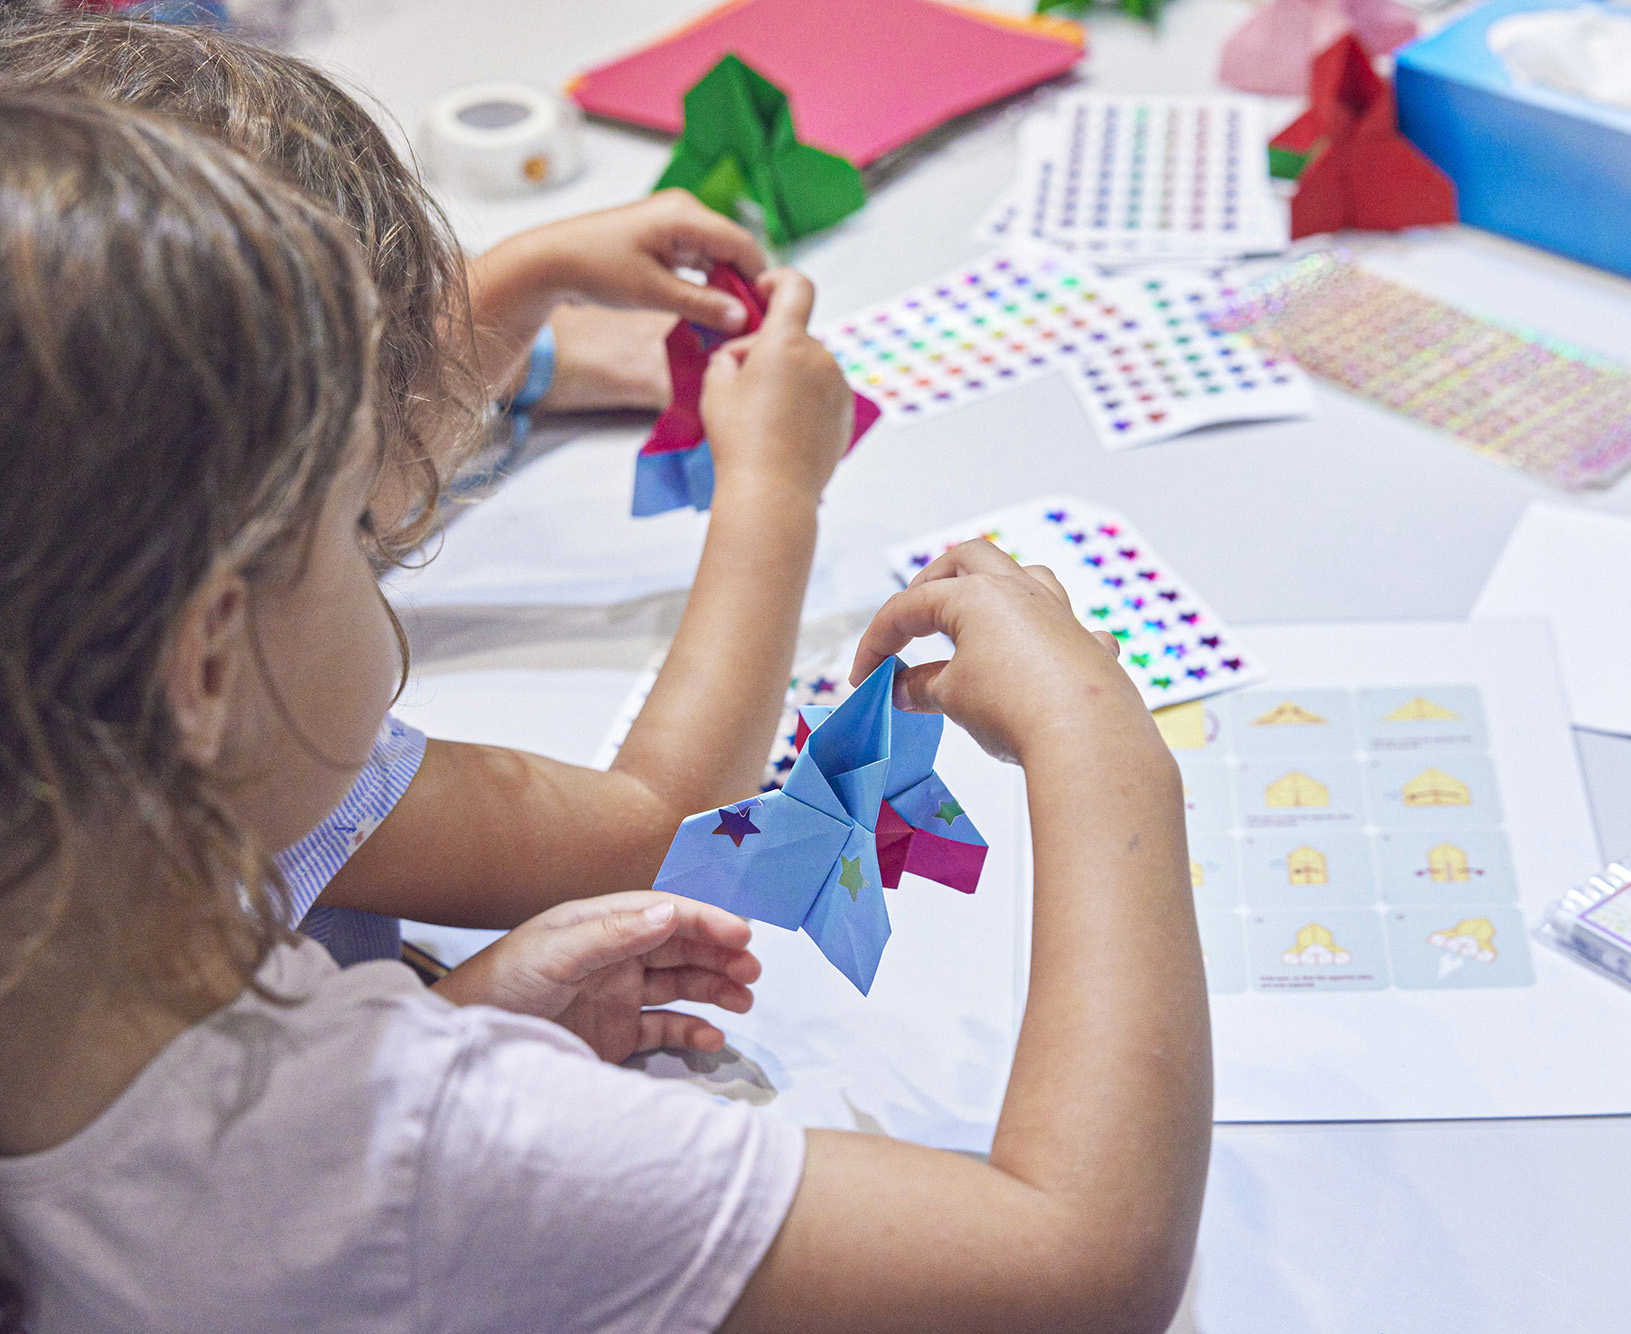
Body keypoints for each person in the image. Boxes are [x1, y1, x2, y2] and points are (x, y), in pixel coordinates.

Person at [0, 92, 1209, 1333]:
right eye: (354, 530)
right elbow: (1074, 1264)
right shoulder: (423, 1143)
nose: (395, 544)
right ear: (205, 665)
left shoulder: (70, 922)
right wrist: (1096, 734)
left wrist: (449, 1011)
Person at [0, 12, 848, 978]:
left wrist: (527, 280)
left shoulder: (74, 606)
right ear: (209, 636)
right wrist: (776, 487)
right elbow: (655, 830)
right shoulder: (240, 765)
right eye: (347, 517)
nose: (378, 534)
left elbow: (328, 475)